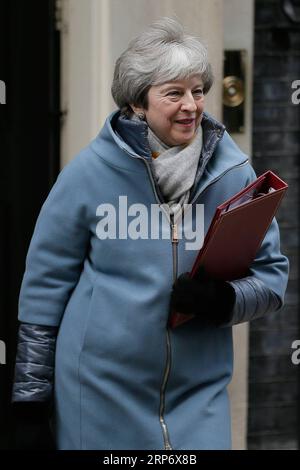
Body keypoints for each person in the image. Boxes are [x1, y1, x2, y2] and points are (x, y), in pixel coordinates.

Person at [12, 17, 289, 450]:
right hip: (99, 396)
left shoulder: (235, 177)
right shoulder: (88, 175)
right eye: (174, 93)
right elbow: (44, 292)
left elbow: (271, 279)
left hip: (200, 398)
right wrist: (30, 401)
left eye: (198, 91)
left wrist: (223, 300)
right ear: (138, 103)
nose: (192, 106)